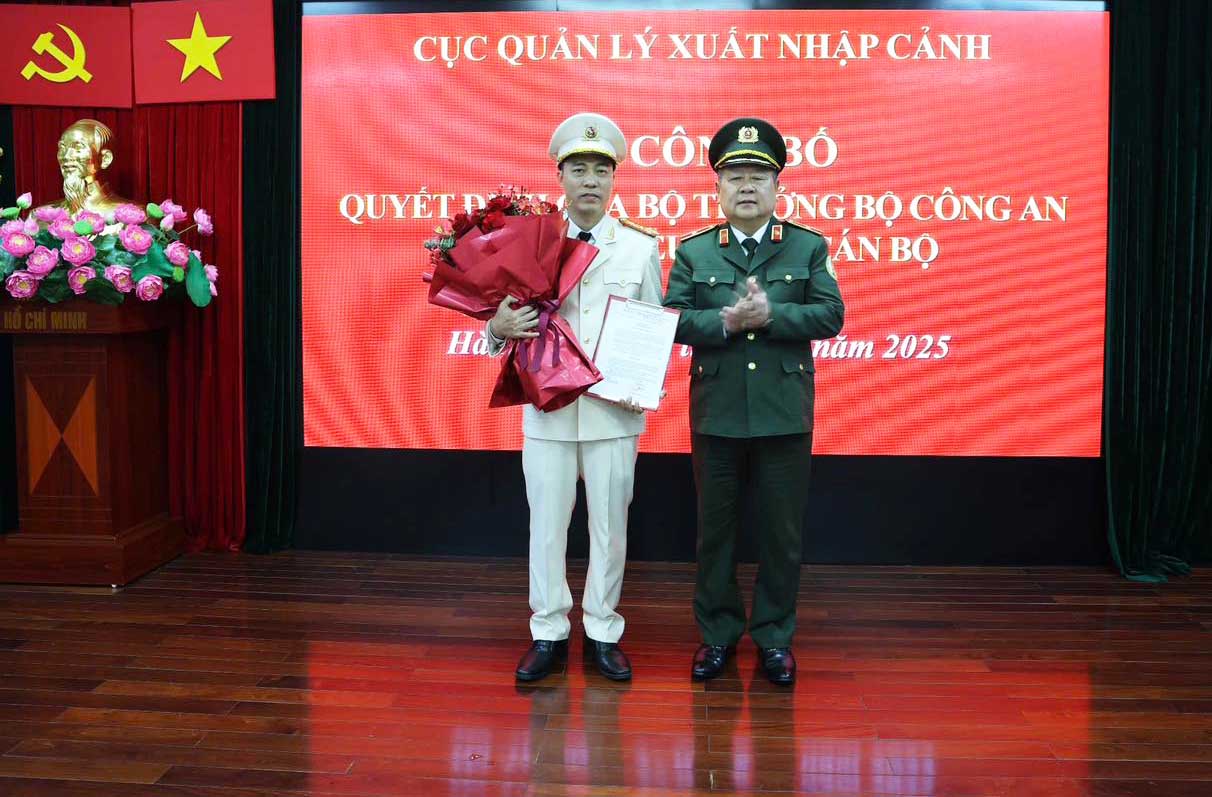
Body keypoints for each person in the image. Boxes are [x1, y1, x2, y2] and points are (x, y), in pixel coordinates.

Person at [663, 118, 844, 685]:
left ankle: (773, 639)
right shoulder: (695, 252)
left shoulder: (808, 246)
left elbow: (831, 315)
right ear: (718, 187)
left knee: (781, 534)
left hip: (783, 413)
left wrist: (774, 316)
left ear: (777, 187)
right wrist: (722, 319)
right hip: (716, 413)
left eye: (758, 176)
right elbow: (669, 319)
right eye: (735, 176)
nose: (746, 186)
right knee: (715, 533)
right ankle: (716, 635)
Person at [485, 112, 663, 682]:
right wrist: (497, 330)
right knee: (547, 527)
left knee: (611, 528)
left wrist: (643, 382)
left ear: (615, 181)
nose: (590, 180)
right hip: (548, 411)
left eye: (601, 171)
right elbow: (498, 326)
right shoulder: (533, 244)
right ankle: (549, 630)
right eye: (578, 169)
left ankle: (603, 629)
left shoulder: (639, 250)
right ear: (560, 177)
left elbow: (653, 325)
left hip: (613, 414)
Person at [39, 119, 134, 215]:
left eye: (78, 148)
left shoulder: (129, 216)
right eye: (62, 148)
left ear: (105, 159)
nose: (66, 156)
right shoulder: (41, 217)